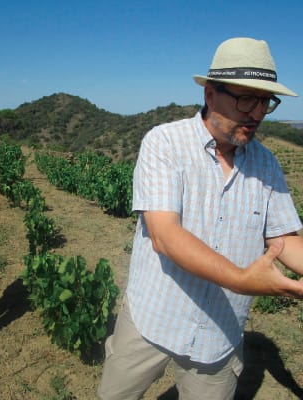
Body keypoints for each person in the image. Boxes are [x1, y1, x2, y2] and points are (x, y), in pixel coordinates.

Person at [98, 37, 303, 400]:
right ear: (210, 95)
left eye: (265, 102)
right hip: (153, 315)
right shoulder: (165, 143)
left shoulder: (266, 164)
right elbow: (165, 235)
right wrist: (242, 279)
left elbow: (283, 239)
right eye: (246, 99)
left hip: (218, 334)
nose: (257, 113)